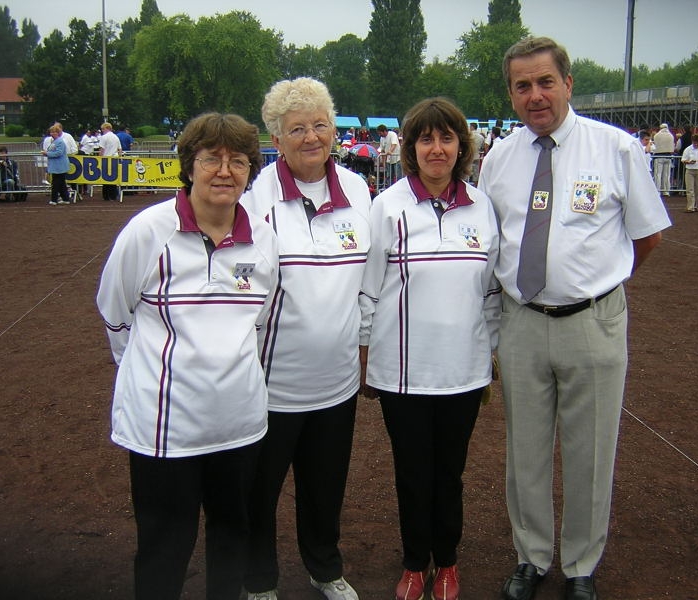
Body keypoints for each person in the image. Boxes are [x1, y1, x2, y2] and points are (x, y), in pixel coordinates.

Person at [478, 36, 671, 600]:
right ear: (511, 95)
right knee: (526, 452)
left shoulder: (615, 149)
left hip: (593, 322)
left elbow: (648, 236)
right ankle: (531, 558)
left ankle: (581, 566)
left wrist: (595, 284)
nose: (535, 95)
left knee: (591, 450)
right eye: (522, 86)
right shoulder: (499, 159)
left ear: (567, 83)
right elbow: (494, 244)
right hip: (521, 321)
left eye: (545, 82)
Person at [96, 112, 279, 600]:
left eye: (238, 161)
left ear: (250, 170)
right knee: (164, 543)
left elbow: (257, 322)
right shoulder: (149, 231)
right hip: (165, 427)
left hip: (238, 423)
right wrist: (146, 371)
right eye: (211, 159)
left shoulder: (264, 239)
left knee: (231, 534)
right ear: (189, 165)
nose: (225, 171)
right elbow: (115, 314)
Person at [360, 97, 501, 600]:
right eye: (426, 138)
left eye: (446, 138)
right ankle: (415, 563)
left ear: (461, 146)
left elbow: (490, 292)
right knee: (412, 472)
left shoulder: (483, 207)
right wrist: (365, 360)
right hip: (403, 373)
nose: (436, 149)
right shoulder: (387, 206)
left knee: (451, 475)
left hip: (462, 371)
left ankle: (449, 564)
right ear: (411, 147)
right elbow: (369, 290)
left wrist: (492, 356)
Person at [240, 77, 370, 600]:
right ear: (276, 137)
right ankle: (260, 580)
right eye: (297, 128)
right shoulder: (255, 199)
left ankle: (324, 568)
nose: (312, 136)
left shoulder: (359, 191)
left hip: (337, 383)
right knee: (258, 492)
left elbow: (369, 284)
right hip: (271, 385)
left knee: (324, 489)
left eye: (320, 124)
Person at [42, 124, 71, 205]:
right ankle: (65, 198)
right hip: (56, 166)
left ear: (58, 133)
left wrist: (47, 154)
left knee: (56, 183)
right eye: (51, 132)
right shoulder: (55, 141)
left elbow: (59, 153)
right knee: (61, 184)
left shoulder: (60, 141)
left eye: (54, 132)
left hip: (60, 166)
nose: (52, 133)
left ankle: (54, 200)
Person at [99, 122, 122, 201]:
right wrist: (120, 157)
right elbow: (120, 149)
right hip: (115, 158)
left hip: (106, 158)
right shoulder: (116, 137)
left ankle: (106, 196)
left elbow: (102, 150)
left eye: (103, 129)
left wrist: (99, 158)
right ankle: (113, 195)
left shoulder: (103, 137)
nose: (102, 131)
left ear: (107, 128)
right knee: (113, 177)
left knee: (106, 178)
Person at [652, 123, 675, 195]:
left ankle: (657, 190)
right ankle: (666, 191)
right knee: (666, 175)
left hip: (658, 156)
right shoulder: (671, 136)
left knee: (658, 174)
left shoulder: (657, 135)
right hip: (668, 156)